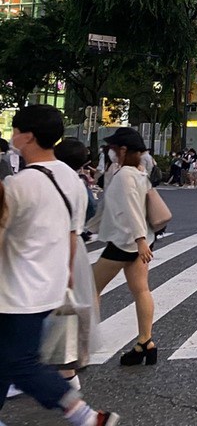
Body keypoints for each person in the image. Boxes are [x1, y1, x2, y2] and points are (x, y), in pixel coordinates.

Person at [1, 106, 120, 424]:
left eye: (15, 130)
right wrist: (65, 277)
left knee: (21, 363)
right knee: (6, 358)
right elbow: (72, 235)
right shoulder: (72, 179)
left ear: (27, 136)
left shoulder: (18, 185)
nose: (12, 136)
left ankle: (85, 415)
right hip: (50, 286)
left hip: (15, 291)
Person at [91, 127, 158, 366]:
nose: (109, 151)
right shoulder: (140, 173)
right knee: (141, 290)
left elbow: (130, 208)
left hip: (125, 242)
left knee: (91, 287)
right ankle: (145, 342)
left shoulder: (124, 175)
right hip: (140, 242)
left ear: (123, 149)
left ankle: (82, 345)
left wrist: (139, 239)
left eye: (112, 148)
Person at [52, 139, 101, 384]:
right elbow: (91, 209)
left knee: (60, 306)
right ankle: (78, 357)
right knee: (77, 303)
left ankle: (65, 364)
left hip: (61, 246)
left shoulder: (51, 177)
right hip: (78, 245)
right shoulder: (80, 181)